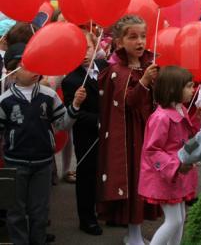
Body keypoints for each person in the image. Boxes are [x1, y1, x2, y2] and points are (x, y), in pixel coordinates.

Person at [0, 43, 85, 245]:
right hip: (15, 162)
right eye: (26, 65)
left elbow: (63, 123)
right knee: (15, 211)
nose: (34, 69)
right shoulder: (5, 100)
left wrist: (75, 106)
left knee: (40, 211)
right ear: (13, 72)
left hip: (43, 162)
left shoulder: (49, 96)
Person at [97, 15, 160, 245]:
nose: (140, 42)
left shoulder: (148, 65)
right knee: (133, 180)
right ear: (120, 41)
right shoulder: (115, 71)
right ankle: (132, 234)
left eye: (143, 36)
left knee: (145, 180)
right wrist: (143, 82)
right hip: (128, 137)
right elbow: (128, 102)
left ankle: (136, 231)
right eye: (133, 37)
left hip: (147, 133)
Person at [138, 66, 198, 245]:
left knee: (180, 218)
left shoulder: (181, 109)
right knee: (175, 221)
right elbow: (152, 150)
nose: (192, 90)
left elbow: (185, 136)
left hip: (177, 175)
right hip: (166, 175)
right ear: (173, 89)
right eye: (188, 86)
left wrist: (196, 119)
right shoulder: (161, 117)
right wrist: (175, 165)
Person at [61, 32, 108, 236]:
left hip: (110, 134)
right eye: (78, 50)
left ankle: (108, 210)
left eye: (87, 47)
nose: (85, 53)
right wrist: (100, 121)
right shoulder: (71, 80)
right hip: (87, 136)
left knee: (107, 173)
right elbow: (76, 114)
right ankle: (86, 218)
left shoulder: (106, 68)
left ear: (94, 46)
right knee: (87, 176)